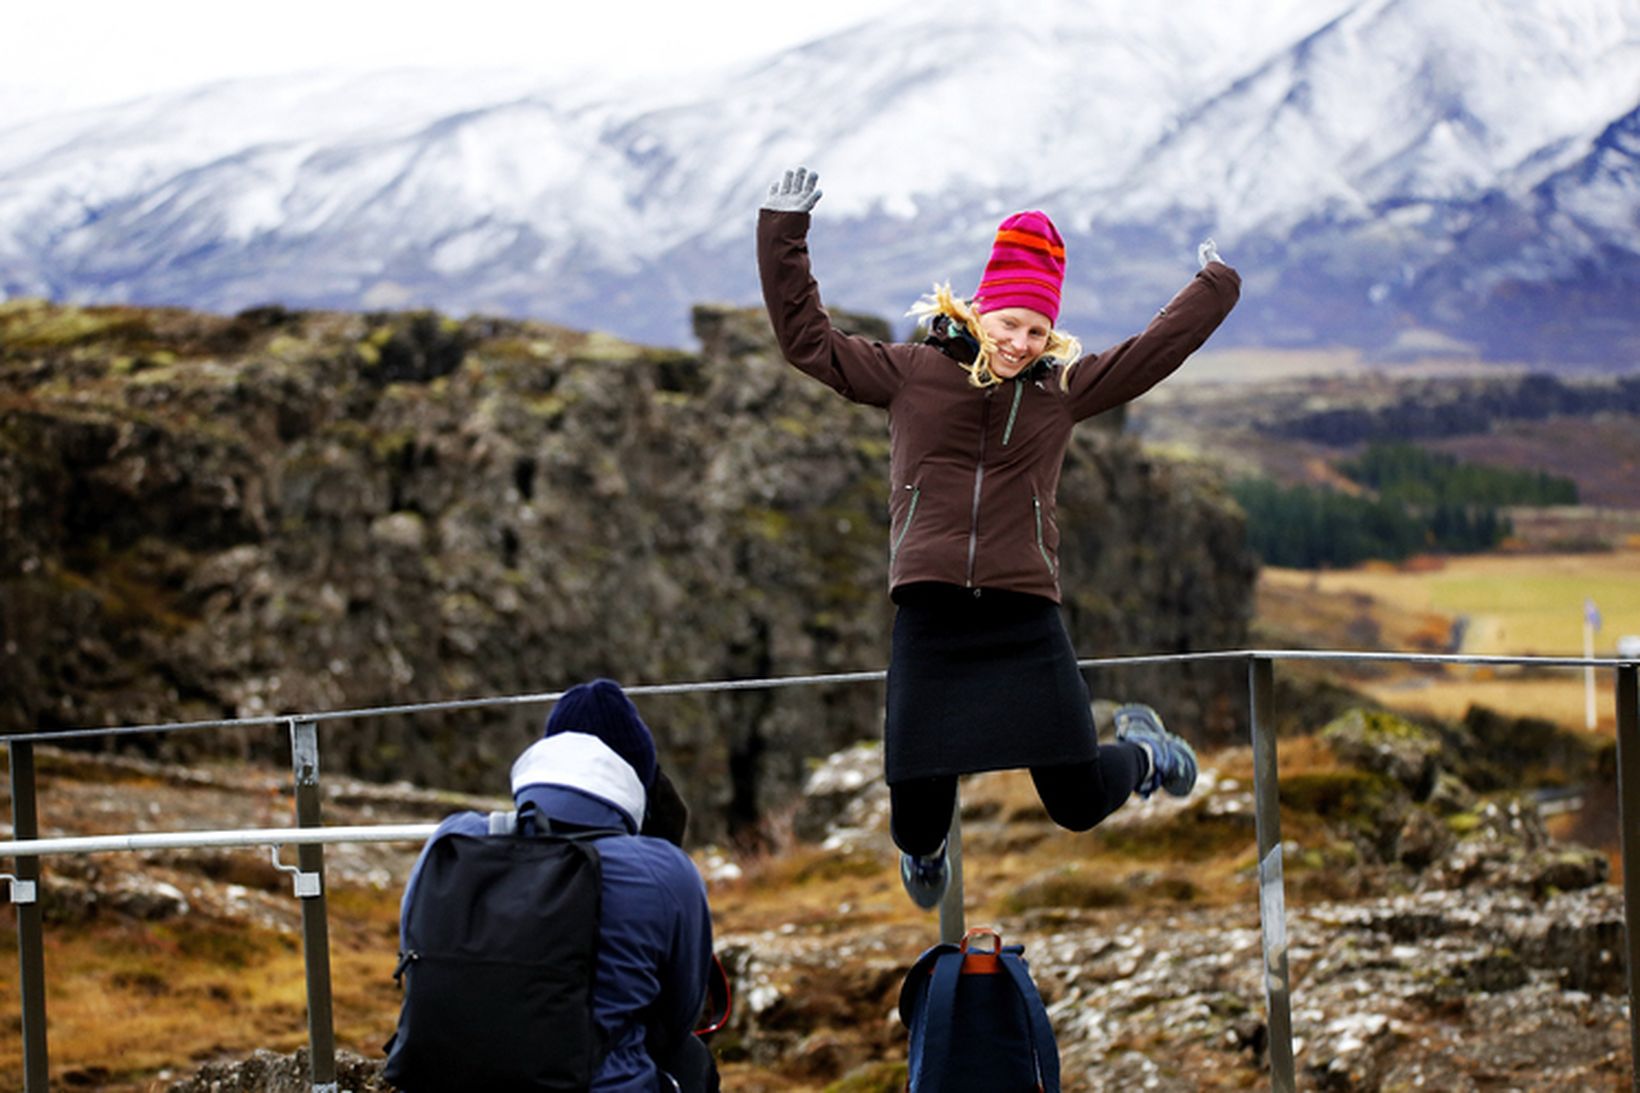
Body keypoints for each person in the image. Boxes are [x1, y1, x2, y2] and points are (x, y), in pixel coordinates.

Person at [757, 167, 1241, 909]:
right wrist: (782, 229)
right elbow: (805, 341)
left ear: (1053, 334)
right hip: (931, 613)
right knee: (916, 824)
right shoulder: (912, 373)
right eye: (1008, 323)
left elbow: (1153, 352)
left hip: (1022, 615)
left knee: (1076, 801)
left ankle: (1144, 752)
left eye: (1037, 330)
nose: (1019, 343)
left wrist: (1216, 286)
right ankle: (925, 849)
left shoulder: (1062, 392)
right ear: (979, 309)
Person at [399, 678, 720, 1092]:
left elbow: (415, 953)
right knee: (690, 1061)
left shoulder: (454, 838)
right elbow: (679, 1015)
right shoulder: (663, 870)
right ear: (638, 784)